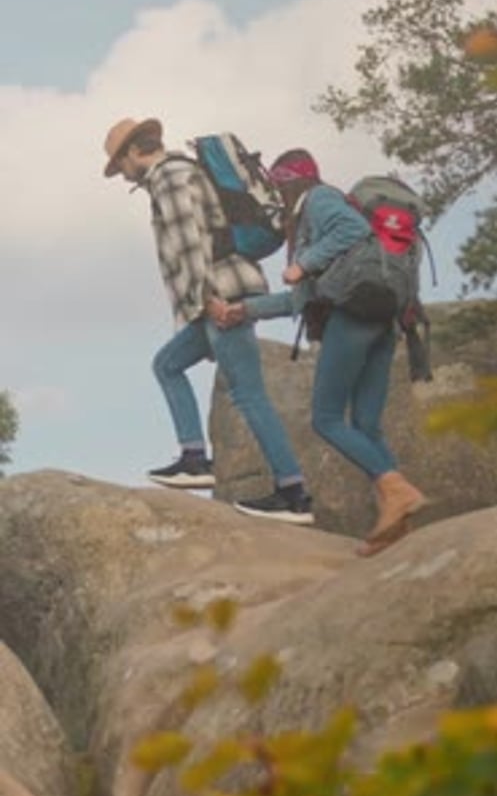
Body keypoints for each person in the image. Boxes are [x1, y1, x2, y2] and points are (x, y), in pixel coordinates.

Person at [214, 148, 427, 555]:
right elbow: (301, 299)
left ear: (290, 181)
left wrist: (304, 261)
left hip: (354, 318)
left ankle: (396, 489)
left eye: (278, 185)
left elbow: (350, 231)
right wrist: (245, 311)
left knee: (326, 419)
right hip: (383, 320)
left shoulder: (320, 200)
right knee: (366, 424)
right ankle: (396, 523)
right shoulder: (333, 234)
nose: (277, 195)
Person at [102, 118, 312, 523]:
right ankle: (194, 456)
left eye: (119, 164)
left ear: (133, 151)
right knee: (167, 364)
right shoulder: (183, 171)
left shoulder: (169, 176)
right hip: (217, 294)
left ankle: (293, 492)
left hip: (220, 293)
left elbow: (189, 246)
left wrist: (207, 301)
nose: (121, 174)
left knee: (248, 394)